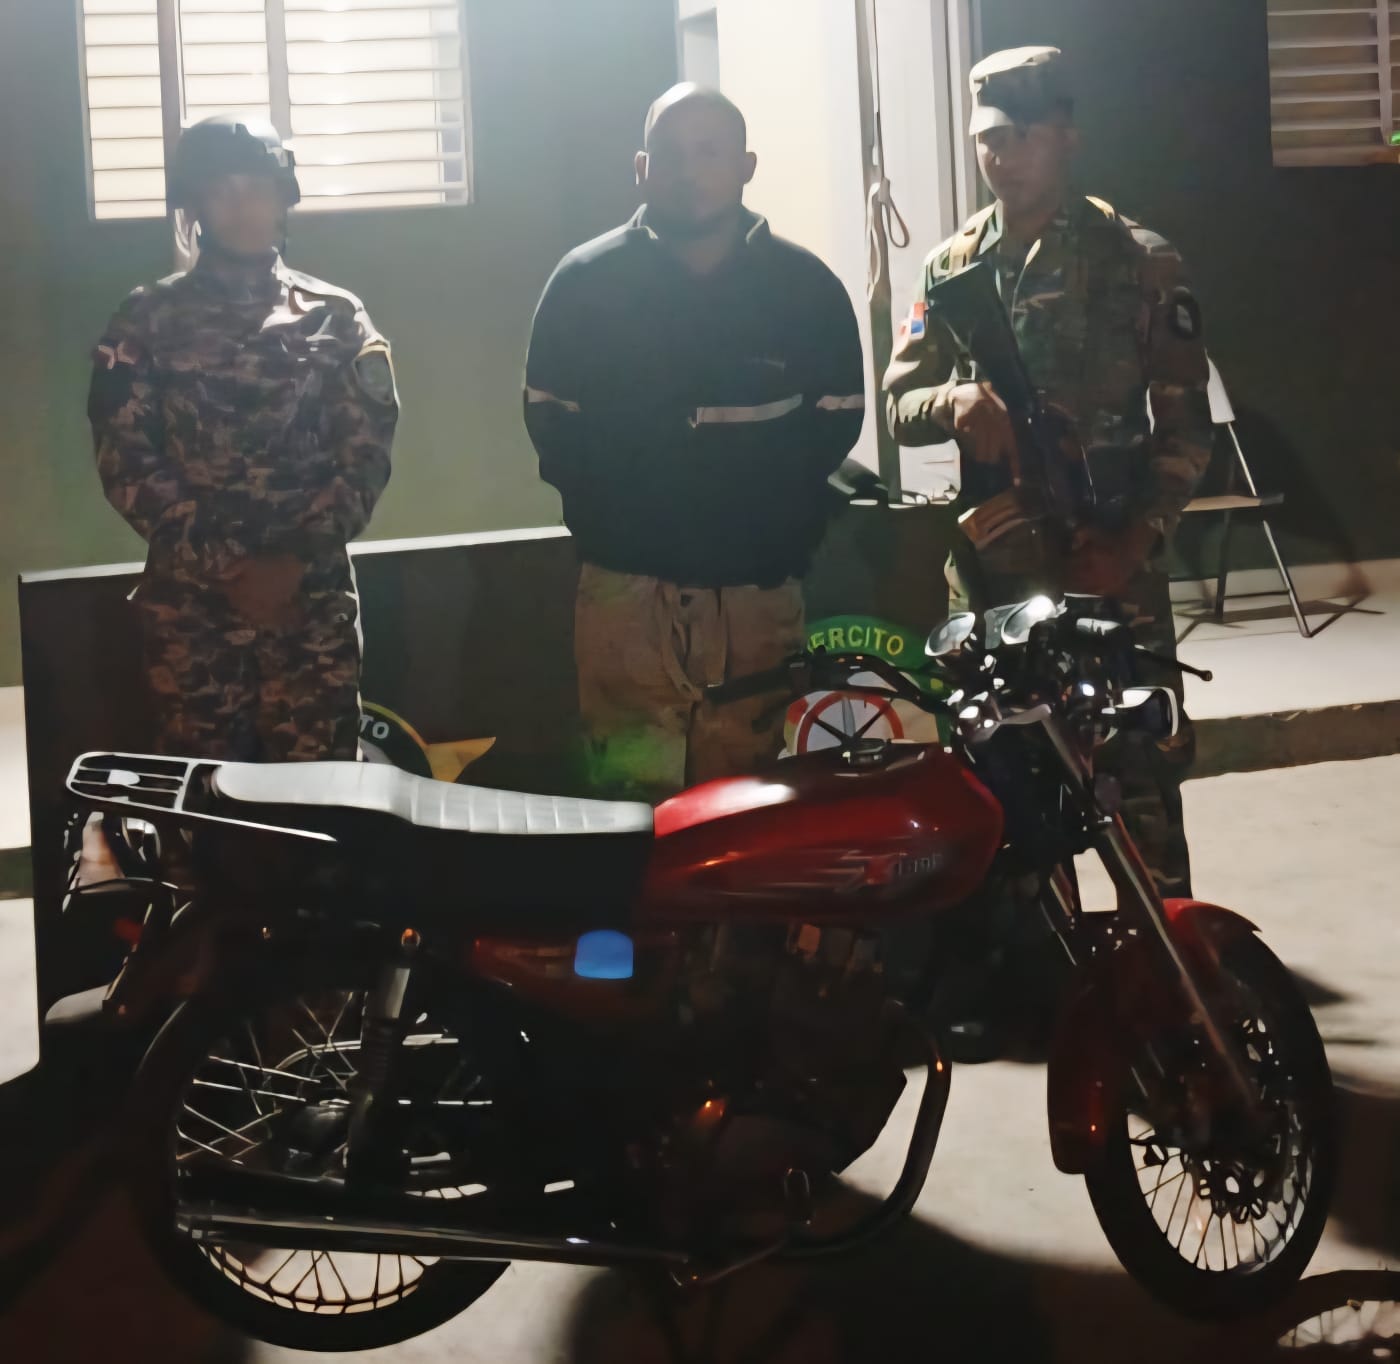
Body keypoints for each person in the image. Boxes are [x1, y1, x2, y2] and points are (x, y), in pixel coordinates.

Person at [882, 47, 1213, 894]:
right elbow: (898, 406)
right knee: (1011, 804)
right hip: (996, 582)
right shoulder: (951, 269)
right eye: (989, 137)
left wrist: (1133, 544)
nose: (1002, 154)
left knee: (1141, 789)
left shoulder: (1140, 261)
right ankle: (1047, 968)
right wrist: (954, 400)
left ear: (1068, 134)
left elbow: (1185, 429)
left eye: (1023, 134)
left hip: (1112, 567)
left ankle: (1167, 962)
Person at [524, 84, 866, 801]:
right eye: (671, 154)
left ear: (746, 166)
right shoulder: (584, 283)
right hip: (625, 595)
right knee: (630, 807)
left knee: (743, 809)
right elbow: (551, 422)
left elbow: (837, 419)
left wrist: (762, 526)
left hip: (756, 597)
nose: (689, 171)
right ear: (641, 168)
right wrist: (625, 527)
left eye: (710, 152)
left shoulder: (804, 288)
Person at [89, 116, 397, 764]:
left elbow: (365, 454)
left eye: (257, 187)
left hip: (309, 609)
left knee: (320, 802)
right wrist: (228, 566)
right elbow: (126, 458)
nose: (242, 205)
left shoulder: (336, 316)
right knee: (200, 803)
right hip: (193, 614)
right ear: (194, 204)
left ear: (284, 196)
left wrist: (289, 563)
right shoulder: (144, 319)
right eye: (221, 189)